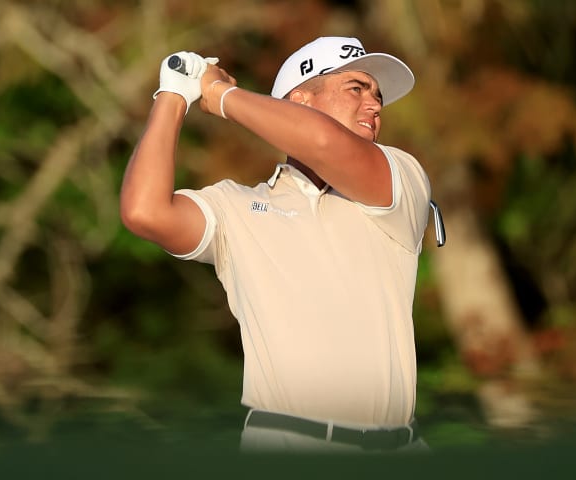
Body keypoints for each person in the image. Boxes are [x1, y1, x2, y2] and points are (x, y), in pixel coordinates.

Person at [120, 36, 434, 453]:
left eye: (377, 96)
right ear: (300, 101)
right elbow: (145, 211)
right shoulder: (237, 205)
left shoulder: (400, 179)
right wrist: (174, 94)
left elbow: (324, 143)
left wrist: (219, 95)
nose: (375, 105)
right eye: (356, 89)